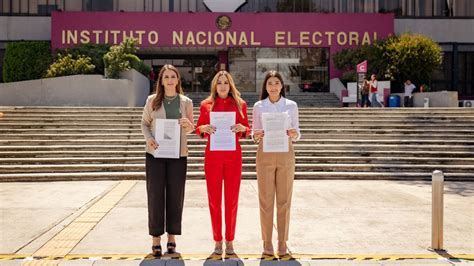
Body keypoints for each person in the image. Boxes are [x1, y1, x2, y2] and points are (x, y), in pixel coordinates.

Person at [141, 64, 194, 257]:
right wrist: (149, 139)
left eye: (173, 76)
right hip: (155, 154)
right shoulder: (152, 100)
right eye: (166, 77)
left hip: (178, 155)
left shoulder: (186, 102)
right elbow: (145, 124)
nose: (170, 80)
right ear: (161, 81)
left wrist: (189, 125)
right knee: (155, 195)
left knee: (175, 195)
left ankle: (172, 236)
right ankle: (156, 239)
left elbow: (190, 129)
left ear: (178, 80)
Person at [195, 70, 250, 255]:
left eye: (226, 83)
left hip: (233, 158)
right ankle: (217, 240)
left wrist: (243, 128)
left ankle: (230, 240)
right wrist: (202, 128)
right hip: (213, 158)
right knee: (214, 200)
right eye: (219, 83)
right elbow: (199, 128)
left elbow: (247, 129)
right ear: (214, 85)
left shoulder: (240, 104)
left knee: (232, 200)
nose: (223, 86)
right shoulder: (206, 105)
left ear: (231, 84)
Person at [252, 70, 300, 257]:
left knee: (284, 201)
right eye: (270, 83)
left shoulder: (291, 106)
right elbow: (255, 132)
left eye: (276, 83)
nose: (273, 86)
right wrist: (256, 135)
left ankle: (282, 242)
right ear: (265, 86)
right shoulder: (259, 106)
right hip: (265, 154)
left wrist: (294, 134)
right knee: (265, 201)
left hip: (285, 154)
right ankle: (267, 241)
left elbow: (297, 131)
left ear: (282, 86)